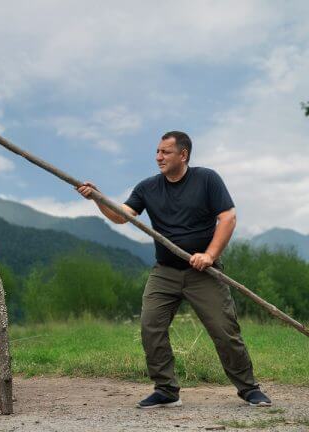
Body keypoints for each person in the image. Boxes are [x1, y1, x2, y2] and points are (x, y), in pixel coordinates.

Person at [77, 131, 271, 409]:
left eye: (165, 152)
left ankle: (249, 388)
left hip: (204, 272)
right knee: (150, 327)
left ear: (184, 154)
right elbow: (121, 217)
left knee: (224, 330)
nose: (158, 157)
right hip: (165, 271)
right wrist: (98, 198)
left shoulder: (207, 179)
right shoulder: (148, 187)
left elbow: (227, 217)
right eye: (157, 151)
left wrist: (209, 254)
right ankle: (166, 390)